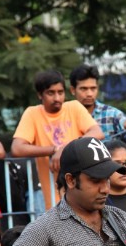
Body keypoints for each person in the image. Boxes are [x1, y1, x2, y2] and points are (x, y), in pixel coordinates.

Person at [11, 69, 104, 210]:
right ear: (39, 95)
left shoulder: (74, 107)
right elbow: (17, 148)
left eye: (60, 92)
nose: (57, 98)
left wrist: (64, 150)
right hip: (53, 196)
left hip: (83, 191)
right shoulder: (32, 113)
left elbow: (97, 132)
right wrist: (54, 149)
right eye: (50, 93)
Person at [70, 64, 126, 140]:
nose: (89, 94)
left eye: (93, 88)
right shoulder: (65, 117)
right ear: (73, 90)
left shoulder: (112, 115)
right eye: (83, 89)